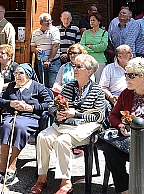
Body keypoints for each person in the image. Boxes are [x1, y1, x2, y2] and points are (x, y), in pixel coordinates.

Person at [31, 54, 105, 194]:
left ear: (89, 71)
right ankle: (42, 177)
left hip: (84, 127)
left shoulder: (97, 90)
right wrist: (56, 113)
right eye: (74, 66)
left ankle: (66, 182)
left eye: (79, 66)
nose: (75, 69)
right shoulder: (69, 86)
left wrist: (75, 114)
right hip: (64, 124)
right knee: (42, 137)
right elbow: (52, 106)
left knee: (62, 141)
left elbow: (99, 116)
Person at [0, 64, 52, 184]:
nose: (17, 76)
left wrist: (31, 107)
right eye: (15, 73)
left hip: (30, 118)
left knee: (19, 127)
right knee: (6, 126)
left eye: (21, 73)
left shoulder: (38, 87)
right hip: (12, 116)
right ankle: (1, 166)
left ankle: (12, 166)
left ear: (28, 75)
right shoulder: (11, 86)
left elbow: (49, 104)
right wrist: (10, 103)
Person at [103, 57, 144, 194]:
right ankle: (124, 188)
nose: (126, 78)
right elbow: (113, 115)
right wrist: (120, 125)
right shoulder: (126, 93)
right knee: (110, 149)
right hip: (128, 141)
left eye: (131, 75)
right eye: (126, 74)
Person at [30, 13, 61, 88]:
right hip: (40, 62)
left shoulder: (54, 30)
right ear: (41, 22)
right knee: (43, 85)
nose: (49, 22)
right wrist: (36, 50)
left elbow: (55, 45)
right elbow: (32, 48)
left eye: (50, 20)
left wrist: (49, 60)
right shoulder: (35, 33)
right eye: (47, 21)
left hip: (53, 62)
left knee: (53, 85)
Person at [80, 13, 108, 83]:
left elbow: (103, 47)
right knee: (87, 80)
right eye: (90, 20)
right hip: (87, 60)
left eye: (93, 20)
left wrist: (90, 46)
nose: (91, 22)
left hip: (100, 60)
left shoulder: (104, 33)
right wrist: (96, 48)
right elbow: (82, 46)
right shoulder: (86, 33)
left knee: (99, 81)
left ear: (99, 22)